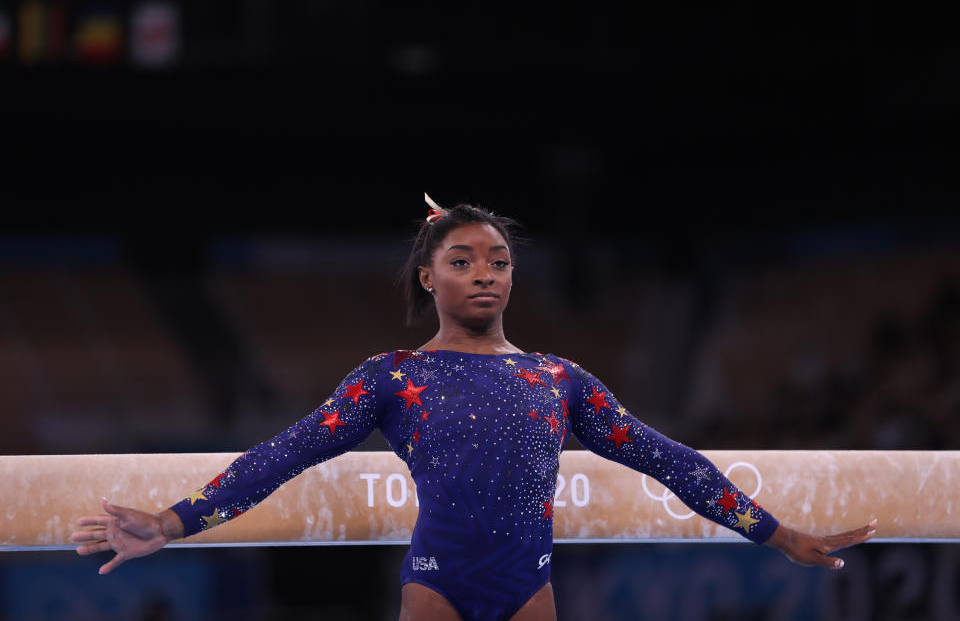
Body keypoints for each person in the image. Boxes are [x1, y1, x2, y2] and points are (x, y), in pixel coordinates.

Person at [71, 195, 878, 621]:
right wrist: (171, 525)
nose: (485, 273)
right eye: (463, 260)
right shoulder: (386, 379)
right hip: (435, 590)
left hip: (529, 593)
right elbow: (282, 456)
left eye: (499, 261)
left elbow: (672, 461)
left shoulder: (560, 382)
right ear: (431, 277)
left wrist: (779, 535)